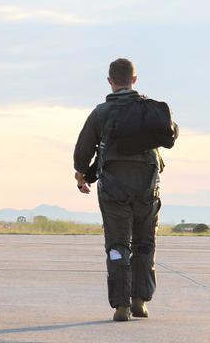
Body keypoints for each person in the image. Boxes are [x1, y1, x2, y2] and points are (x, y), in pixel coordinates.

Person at [73, 58, 177, 321]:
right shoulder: (148, 109)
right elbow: (171, 133)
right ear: (134, 79)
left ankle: (120, 306)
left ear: (110, 81)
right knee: (145, 244)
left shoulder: (100, 113)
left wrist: (81, 174)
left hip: (113, 192)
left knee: (118, 246)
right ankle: (139, 301)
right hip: (148, 190)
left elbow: (82, 151)